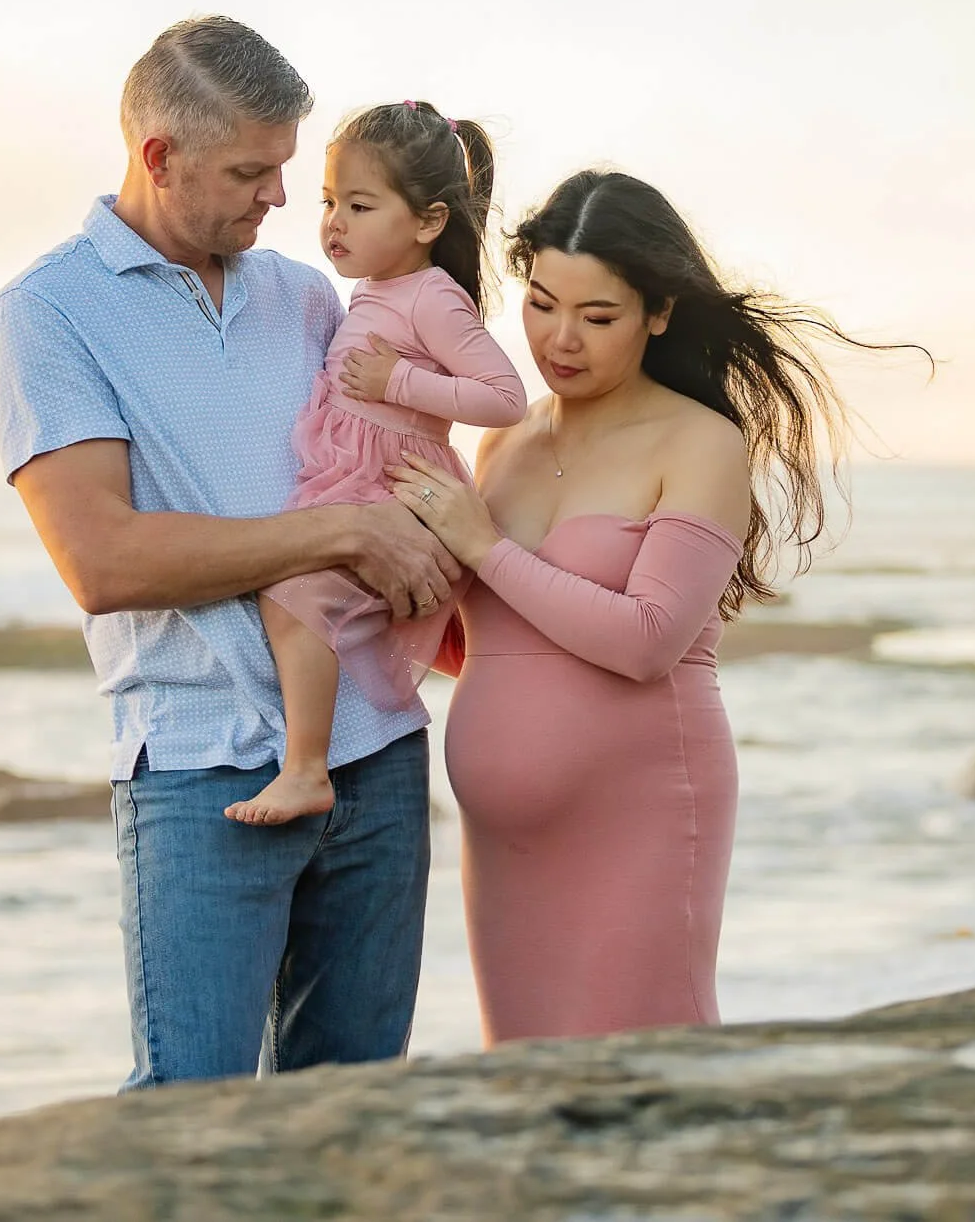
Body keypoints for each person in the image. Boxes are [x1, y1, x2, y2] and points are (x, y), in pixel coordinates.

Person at [0, 16, 456, 1088]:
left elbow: (387, 460)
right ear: (159, 155)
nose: (280, 199)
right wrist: (338, 530)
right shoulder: (47, 313)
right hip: (202, 771)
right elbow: (103, 559)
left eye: (285, 167)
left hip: (375, 751)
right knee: (189, 1118)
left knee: (353, 1113)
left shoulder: (303, 295)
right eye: (251, 169)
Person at [390, 168, 920, 1043]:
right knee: (532, 1088)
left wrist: (481, 544)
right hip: (504, 835)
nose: (561, 339)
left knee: (647, 1083)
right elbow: (494, 635)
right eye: (543, 303)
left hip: (638, 813)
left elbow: (647, 639)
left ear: (658, 313)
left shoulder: (700, 443)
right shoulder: (504, 438)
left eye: (598, 317)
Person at [226, 100, 527, 828]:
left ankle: (306, 768)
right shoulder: (373, 289)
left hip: (393, 487)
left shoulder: (432, 296)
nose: (334, 221)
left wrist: (398, 383)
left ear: (427, 222)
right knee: (296, 595)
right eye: (330, 201)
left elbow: (506, 396)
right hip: (358, 478)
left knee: (293, 594)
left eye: (359, 205)